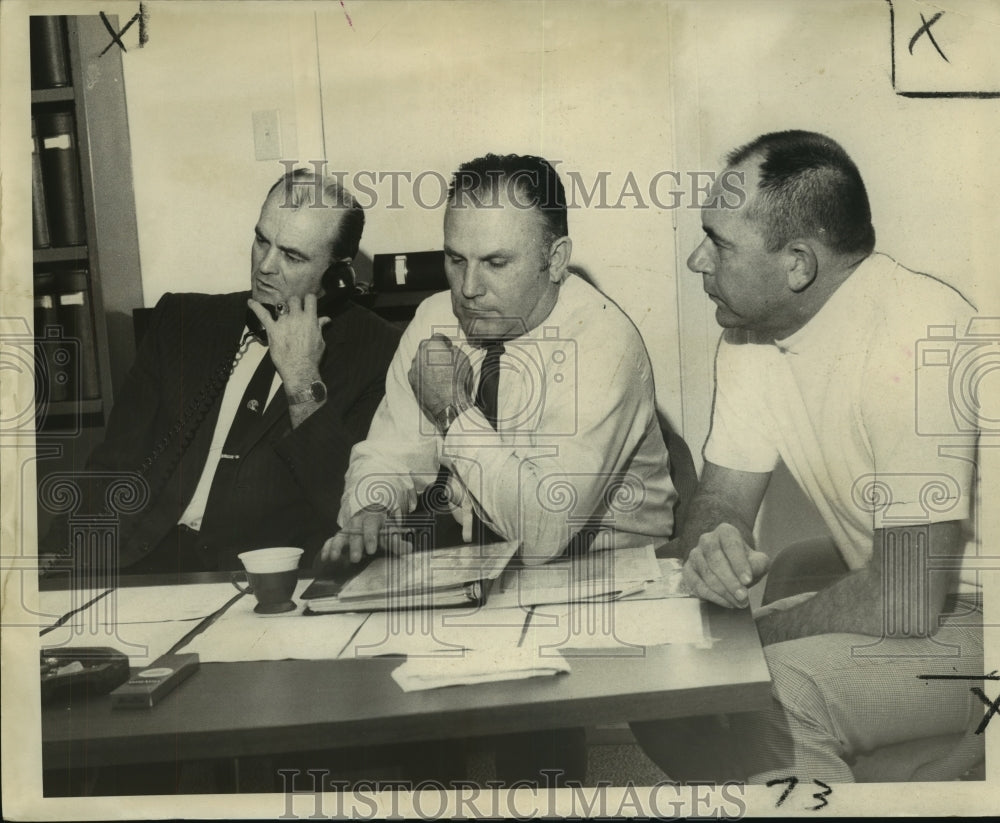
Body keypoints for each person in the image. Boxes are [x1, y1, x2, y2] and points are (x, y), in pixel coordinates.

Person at [632, 130, 984, 783]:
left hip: (979, 621)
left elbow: (907, 597)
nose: (695, 262)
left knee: (765, 687)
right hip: (914, 591)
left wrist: (753, 643)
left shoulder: (916, 335)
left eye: (719, 243)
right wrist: (715, 544)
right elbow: (721, 498)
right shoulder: (751, 333)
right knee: (665, 684)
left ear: (797, 264)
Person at [323, 153, 676, 567]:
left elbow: (543, 533)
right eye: (456, 260)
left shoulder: (603, 344)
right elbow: (392, 451)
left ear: (557, 259)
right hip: (485, 570)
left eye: (495, 262)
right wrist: (372, 509)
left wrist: (452, 410)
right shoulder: (436, 319)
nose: (469, 288)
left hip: (613, 576)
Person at [40, 169, 401, 575]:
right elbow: (111, 466)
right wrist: (54, 561)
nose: (265, 266)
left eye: (292, 256)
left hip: (260, 581)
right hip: (139, 565)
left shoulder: (378, 352)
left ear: (339, 274)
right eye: (262, 240)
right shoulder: (181, 321)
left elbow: (347, 506)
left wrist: (301, 380)